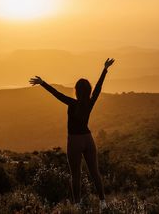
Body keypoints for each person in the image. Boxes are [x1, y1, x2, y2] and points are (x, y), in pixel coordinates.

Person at [29, 58, 115, 210]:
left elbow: (56, 94)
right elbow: (98, 88)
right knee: (95, 172)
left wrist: (42, 83)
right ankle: (103, 202)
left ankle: (77, 205)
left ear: (76, 90)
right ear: (88, 90)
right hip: (88, 139)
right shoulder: (90, 102)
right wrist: (105, 69)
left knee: (76, 175)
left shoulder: (72, 103)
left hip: (75, 141)